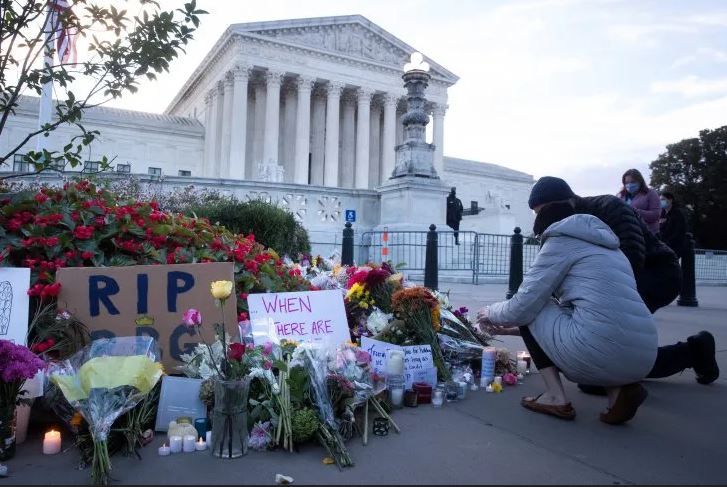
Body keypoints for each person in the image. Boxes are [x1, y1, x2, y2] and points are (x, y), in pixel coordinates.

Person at [508, 176, 718, 391]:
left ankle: (687, 354)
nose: (544, 218)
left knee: (603, 362)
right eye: (538, 213)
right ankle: (695, 351)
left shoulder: (609, 207)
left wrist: (603, 298)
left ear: (567, 201)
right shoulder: (567, 226)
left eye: (546, 210)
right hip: (626, 280)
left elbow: (633, 252)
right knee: (609, 356)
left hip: (657, 273)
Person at [478, 202, 658, 424]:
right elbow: (591, 314)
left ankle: (555, 397)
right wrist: (511, 330)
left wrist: (490, 312)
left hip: (599, 349)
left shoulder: (559, 240)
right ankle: (618, 395)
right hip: (644, 354)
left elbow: (523, 306)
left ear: (546, 230)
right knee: (597, 323)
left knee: (537, 303)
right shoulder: (613, 249)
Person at [618, 169, 661, 234]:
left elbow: (655, 215)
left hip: (649, 235)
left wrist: (634, 211)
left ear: (640, 181)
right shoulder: (621, 196)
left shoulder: (650, 193)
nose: (629, 185)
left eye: (633, 182)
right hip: (628, 234)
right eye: (626, 182)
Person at [659, 191, 688, 259]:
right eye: (660, 200)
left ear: (670, 200)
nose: (661, 201)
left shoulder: (677, 214)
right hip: (662, 246)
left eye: (663, 199)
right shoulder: (661, 213)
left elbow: (679, 231)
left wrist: (667, 242)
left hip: (674, 247)